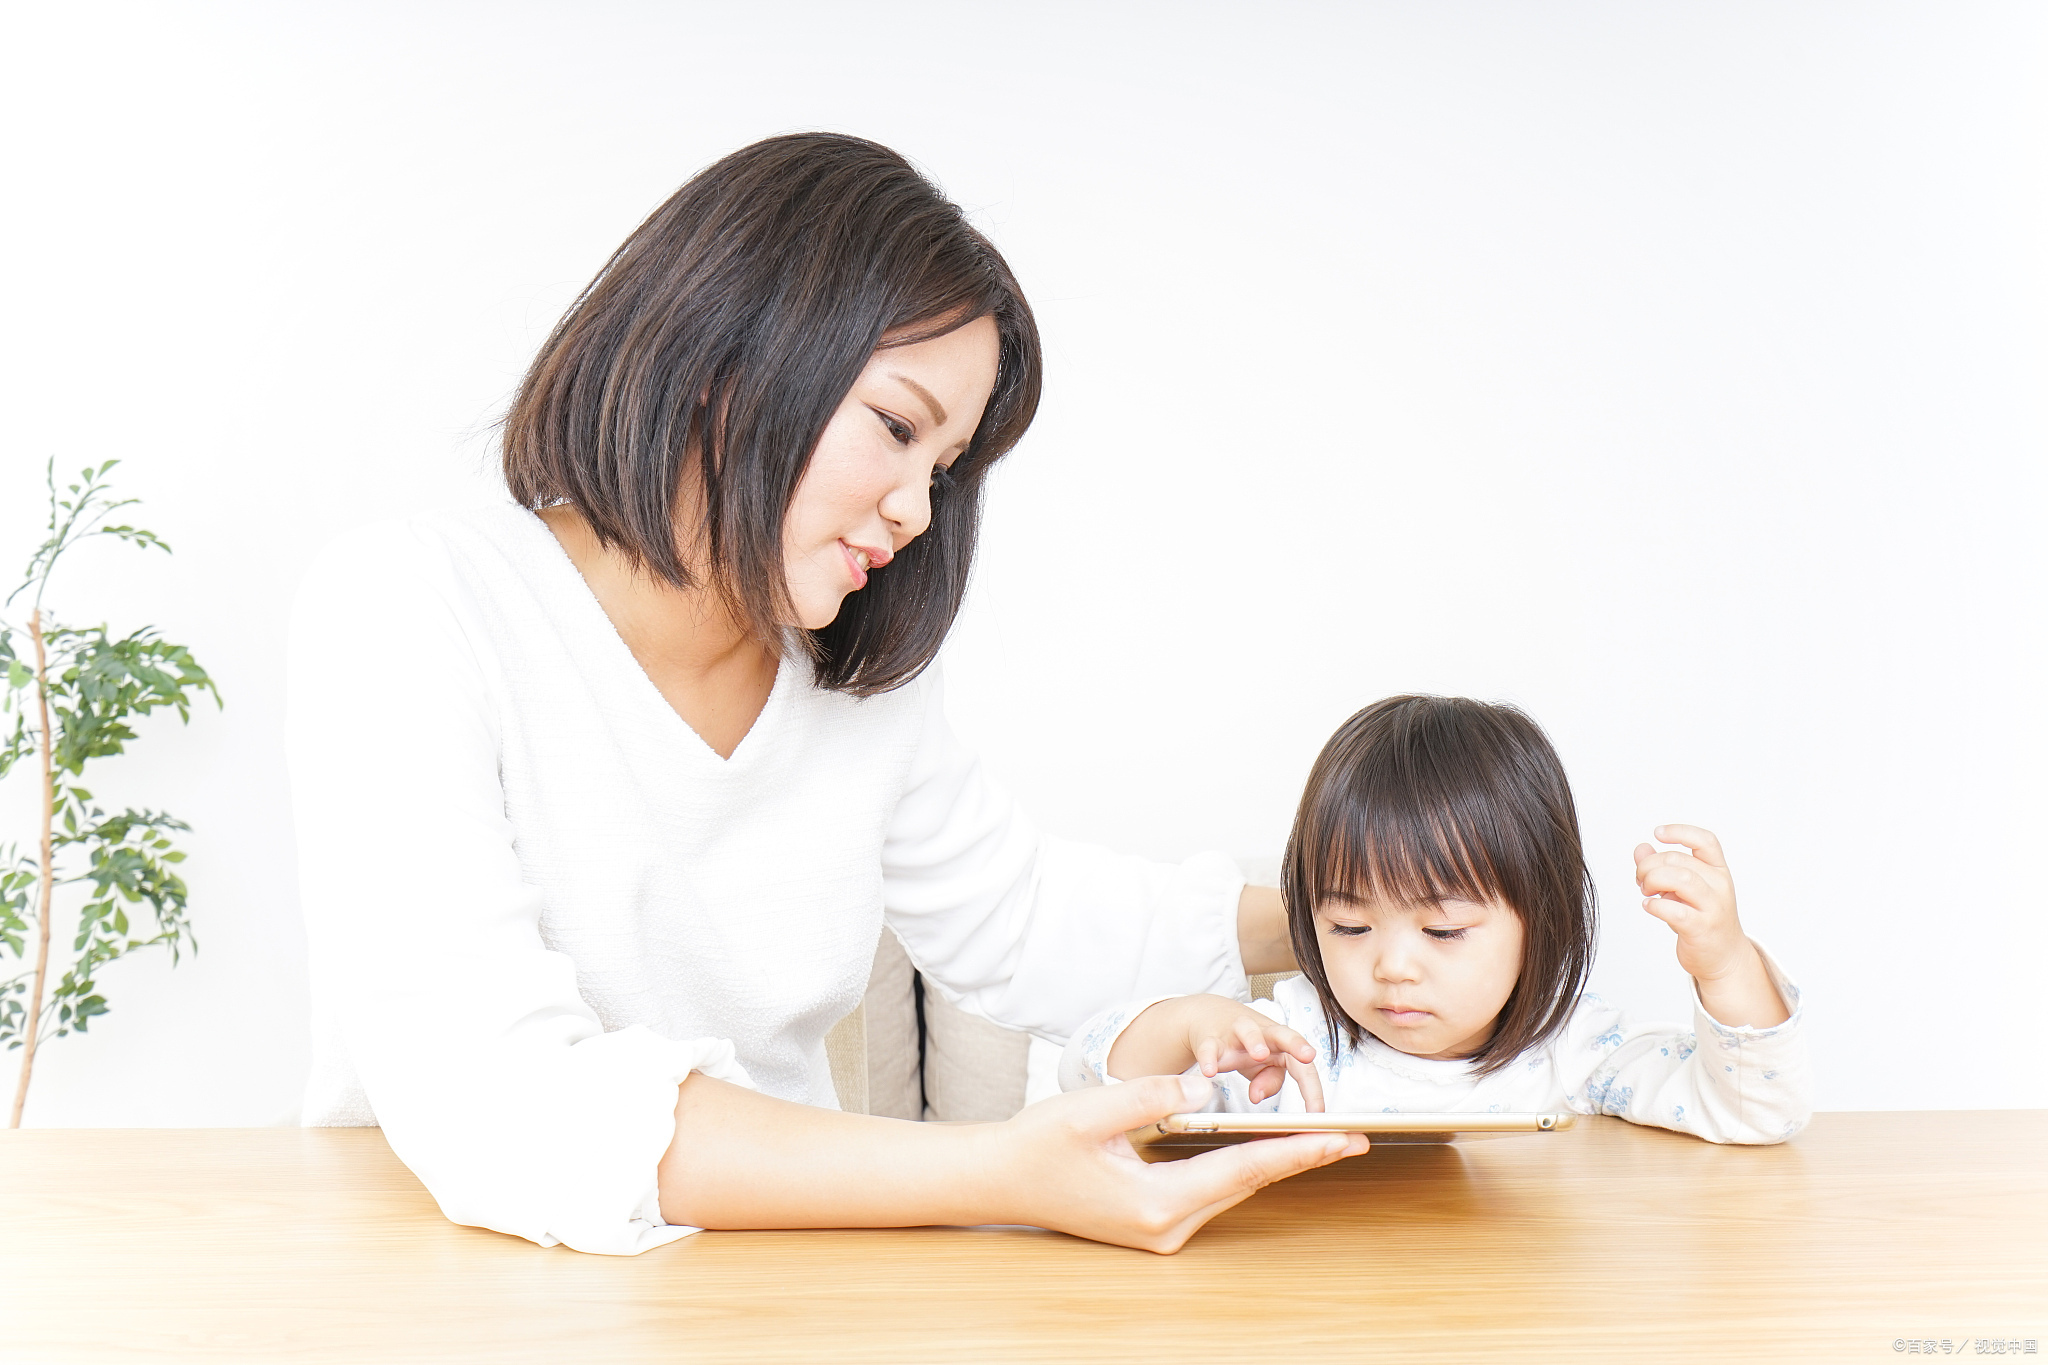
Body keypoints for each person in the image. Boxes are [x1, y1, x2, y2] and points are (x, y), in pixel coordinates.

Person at [285, 132, 1365, 1258]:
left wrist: (1367, 921)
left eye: (942, 471)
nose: (914, 512)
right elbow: (497, 1094)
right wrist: (1001, 1170)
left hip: (783, 1270)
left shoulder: (853, 680)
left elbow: (1024, 919)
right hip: (458, 1273)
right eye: (896, 429)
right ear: (720, 358)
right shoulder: (414, 605)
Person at [1062, 695, 1811, 1145]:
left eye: (1444, 931)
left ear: (1539, 920)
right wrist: (1190, 1022)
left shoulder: (1575, 1048)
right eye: (1349, 927)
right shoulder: (1297, 1047)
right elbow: (1089, 1083)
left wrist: (1725, 964)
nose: (1391, 966)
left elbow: (1753, 1111)